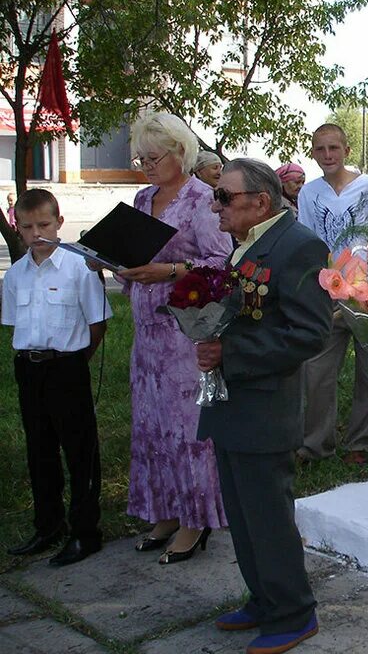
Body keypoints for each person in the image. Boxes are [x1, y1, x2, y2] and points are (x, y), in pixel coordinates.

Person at [196, 158, 332, 654]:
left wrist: (230, 352)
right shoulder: (250, 242)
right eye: (217, 195)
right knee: (244, 513)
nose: (217, 205)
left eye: (225, 197)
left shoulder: (299, 246)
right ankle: (264, 598)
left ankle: (294, 612)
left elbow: (309, 334)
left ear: (261, 202)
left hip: (265, 408)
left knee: (269, 518)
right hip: (235, 404)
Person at [122, 112, 233, 564]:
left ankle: (194, 519)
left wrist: (167, 271)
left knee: (188, 429)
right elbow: (130, 252)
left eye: (154, 156)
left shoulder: (201, 199)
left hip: (185, 334)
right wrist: (107, 259)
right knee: (151, 425)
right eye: (141, 157)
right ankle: (163, 511)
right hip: (146, 333)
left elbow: (222, 261)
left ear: (180, 153)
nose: (146, 165)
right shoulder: (143, 197)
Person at [3, 189, 110, 566]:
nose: (37, 234)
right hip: (29, 368)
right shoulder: (15, 274)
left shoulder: (78, 267)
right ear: (18, 228)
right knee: (40, 449)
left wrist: (77, 360)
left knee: (80, 451)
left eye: (44, 225)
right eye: (28, 227)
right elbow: (16, 322)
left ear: (60, 223)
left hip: (67, 365)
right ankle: (48, 525)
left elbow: (97, 323)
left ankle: (85, 532)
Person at [297, 124, 368, 463]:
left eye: (334, 148)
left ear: (347, 150)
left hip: (367, 293)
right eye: (320, 149)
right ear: (312, 153)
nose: (327, 155)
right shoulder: (309, 193)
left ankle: (361, 441)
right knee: (317, 369)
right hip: (329, 292)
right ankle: (315, 443)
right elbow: (308, 243)